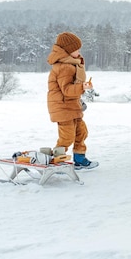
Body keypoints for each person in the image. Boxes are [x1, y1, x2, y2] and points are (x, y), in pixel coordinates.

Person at [47, 32, 99, 170]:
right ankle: (57, 162)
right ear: (68, 51)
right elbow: (67, 90)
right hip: (62, 107)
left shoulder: (72, 64)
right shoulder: (64, 67)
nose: (79, 52)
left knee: (81, 132)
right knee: (67, 137)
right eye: (77, 50)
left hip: (72, 106)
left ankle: (79, 158)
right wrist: (82, 87)